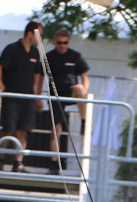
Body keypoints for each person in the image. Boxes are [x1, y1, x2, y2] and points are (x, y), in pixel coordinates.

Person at [0, 21, 44, 173]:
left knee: (24, 131)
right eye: (38, 35)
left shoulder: (35, 53)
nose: (39, 39)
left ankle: (18, 163)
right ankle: (0, 161)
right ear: (30, 33)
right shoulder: (12, 49)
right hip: (12, 97)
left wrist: (38, 96)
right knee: (8, 130)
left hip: (28, 98)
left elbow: (37, 74)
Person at [44, 28, 90, 175]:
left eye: (65, 43)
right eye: (59, 43)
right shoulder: (49, 57)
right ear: (55, 42)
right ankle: (54, 164)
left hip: (70, 92)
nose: (62, 45)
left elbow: (85, 78)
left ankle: (84, 121)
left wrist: (84, 92)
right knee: (56, 130)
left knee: (79, 88)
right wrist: (38, 94)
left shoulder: (75, 56)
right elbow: (39, 76)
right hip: (55, 94)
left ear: (68, 42)